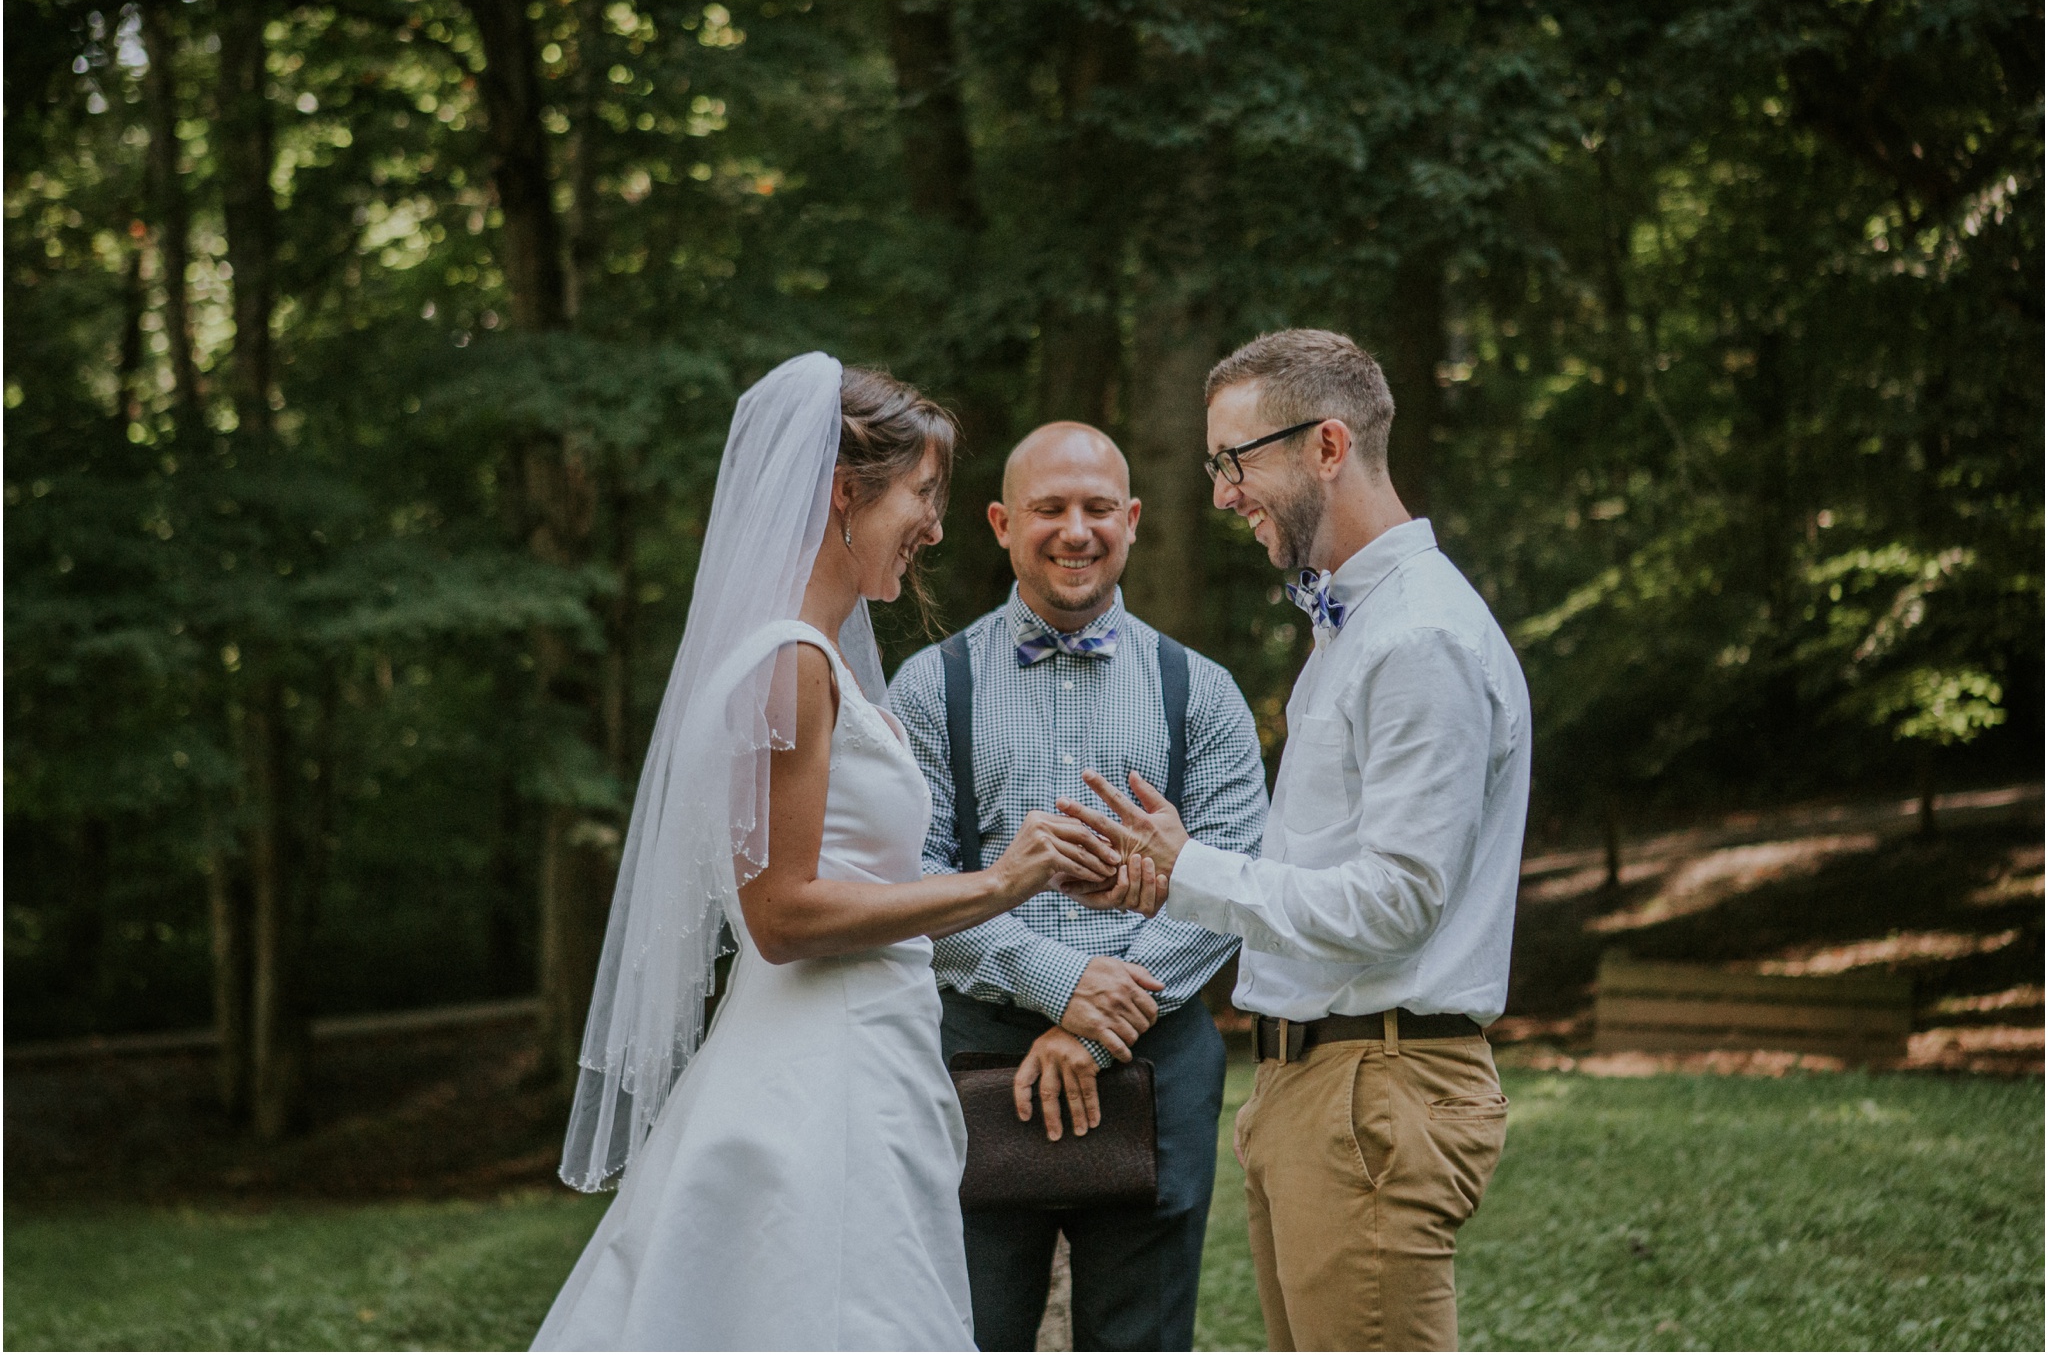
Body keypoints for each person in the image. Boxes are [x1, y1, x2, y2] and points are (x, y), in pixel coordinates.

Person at [531, 355, 1121, 1351]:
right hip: (816, 1076)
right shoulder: (790, 663)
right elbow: (782, 916)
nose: (935, 525)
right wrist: (995, 883)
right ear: (844, 494)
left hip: (868, 1052)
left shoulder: (816, 664)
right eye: (923, 494)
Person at [1061, 330, 1533, 1352]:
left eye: (1236, 459)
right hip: (1313, 1089)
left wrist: (1192, 868)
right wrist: (1175, 877)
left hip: (1373, 1091)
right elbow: (1333, 877)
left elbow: (1396, 901)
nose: (1222, 492)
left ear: (1326, 444)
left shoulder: (1418, 638)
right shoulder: (1350, 630)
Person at [889, 422, 1268, 1351]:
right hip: (974, 1055)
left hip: (1158, 1055)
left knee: (1140, 1336)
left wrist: (1099, 1021)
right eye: (1049, 508)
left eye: (1098, 508)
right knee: (966, 1331)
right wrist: (1059, 984)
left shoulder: (1204, 691)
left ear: (1132, 521)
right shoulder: (929, 689)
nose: (1075, 529)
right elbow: (909, 882)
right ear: (1000, 523)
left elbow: (1233, 877)